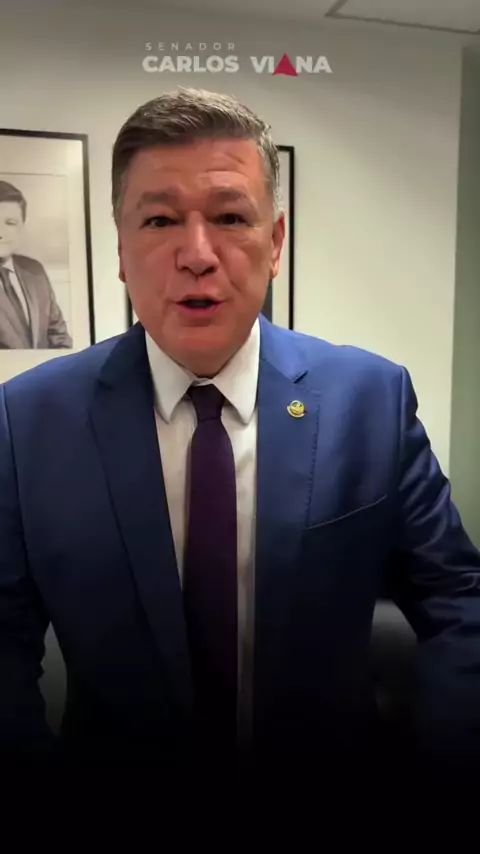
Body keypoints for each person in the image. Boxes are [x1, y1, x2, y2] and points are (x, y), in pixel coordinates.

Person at [1, 87, 480, 840]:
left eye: (230, 217)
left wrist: (444, 782)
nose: (197, 255)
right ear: (121, 249)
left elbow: (457, 599)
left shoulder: (370, 399)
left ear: (275, 241)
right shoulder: (28, 420)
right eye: (160, 220)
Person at [0, 180, 72, 349]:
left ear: (22, 227)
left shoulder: (35, 271)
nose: (0, 233)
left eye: (10, 223)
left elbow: (59, 338)